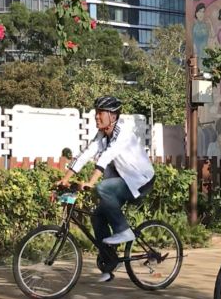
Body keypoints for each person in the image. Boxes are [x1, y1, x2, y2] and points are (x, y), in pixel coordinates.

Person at [57, 96, 155, 282]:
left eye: (100, 113)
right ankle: (110, 264)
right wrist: (65, 179)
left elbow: (106, 156)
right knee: (97, 217)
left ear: (113, 116)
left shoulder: (123, 133)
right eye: (96, 113)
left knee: (102, 187)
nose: (96, 116)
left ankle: (123, 230)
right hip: (123, 180)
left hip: (141, 180)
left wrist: (92, 181)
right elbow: (85, 154)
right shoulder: (102, 134)